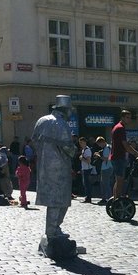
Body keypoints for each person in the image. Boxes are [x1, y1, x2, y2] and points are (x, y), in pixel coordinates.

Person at [33, 96, 76, 244]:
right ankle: (53, 230)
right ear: (65, 109)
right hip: (60, 167)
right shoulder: (61, 124)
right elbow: (68, 148)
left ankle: (53, 229)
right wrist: (74, 151)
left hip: (44, 166)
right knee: (60, 200)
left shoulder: (42, 120)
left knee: (53, 199)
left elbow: (34, 141)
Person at [110, 110, 134, 199]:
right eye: (127, 117)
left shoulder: (118, 127)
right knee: (120, 180)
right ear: (122, 117)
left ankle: (115, 198)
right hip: (118, 157)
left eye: (130, 118)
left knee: (118, 180)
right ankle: (117, 200)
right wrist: (137, 154)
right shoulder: (120, 128)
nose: (129, 120)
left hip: (117, 157)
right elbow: (125, 145)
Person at [95, 136, 112, 204]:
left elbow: (106, 158)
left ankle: (108, 198)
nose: (99, 146)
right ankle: (105, 198)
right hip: (106, 167)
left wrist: (99, 156)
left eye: (99, 144)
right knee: (104, 183)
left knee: (106, 183)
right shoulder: (107, 147)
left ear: (102, 142)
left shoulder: (107, 148)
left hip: (106, 167)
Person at [78, 137, 95, 203]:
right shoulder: (83, 150)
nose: (80, 144)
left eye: (81, 142)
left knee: (87, 184)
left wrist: (82, 159)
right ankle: (87, 196)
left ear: (85, 142)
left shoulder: (87, 150)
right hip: (84, 168)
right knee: (85, 184)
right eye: (80, 143)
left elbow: (89, 161)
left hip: (87, 169)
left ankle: (88, 197)